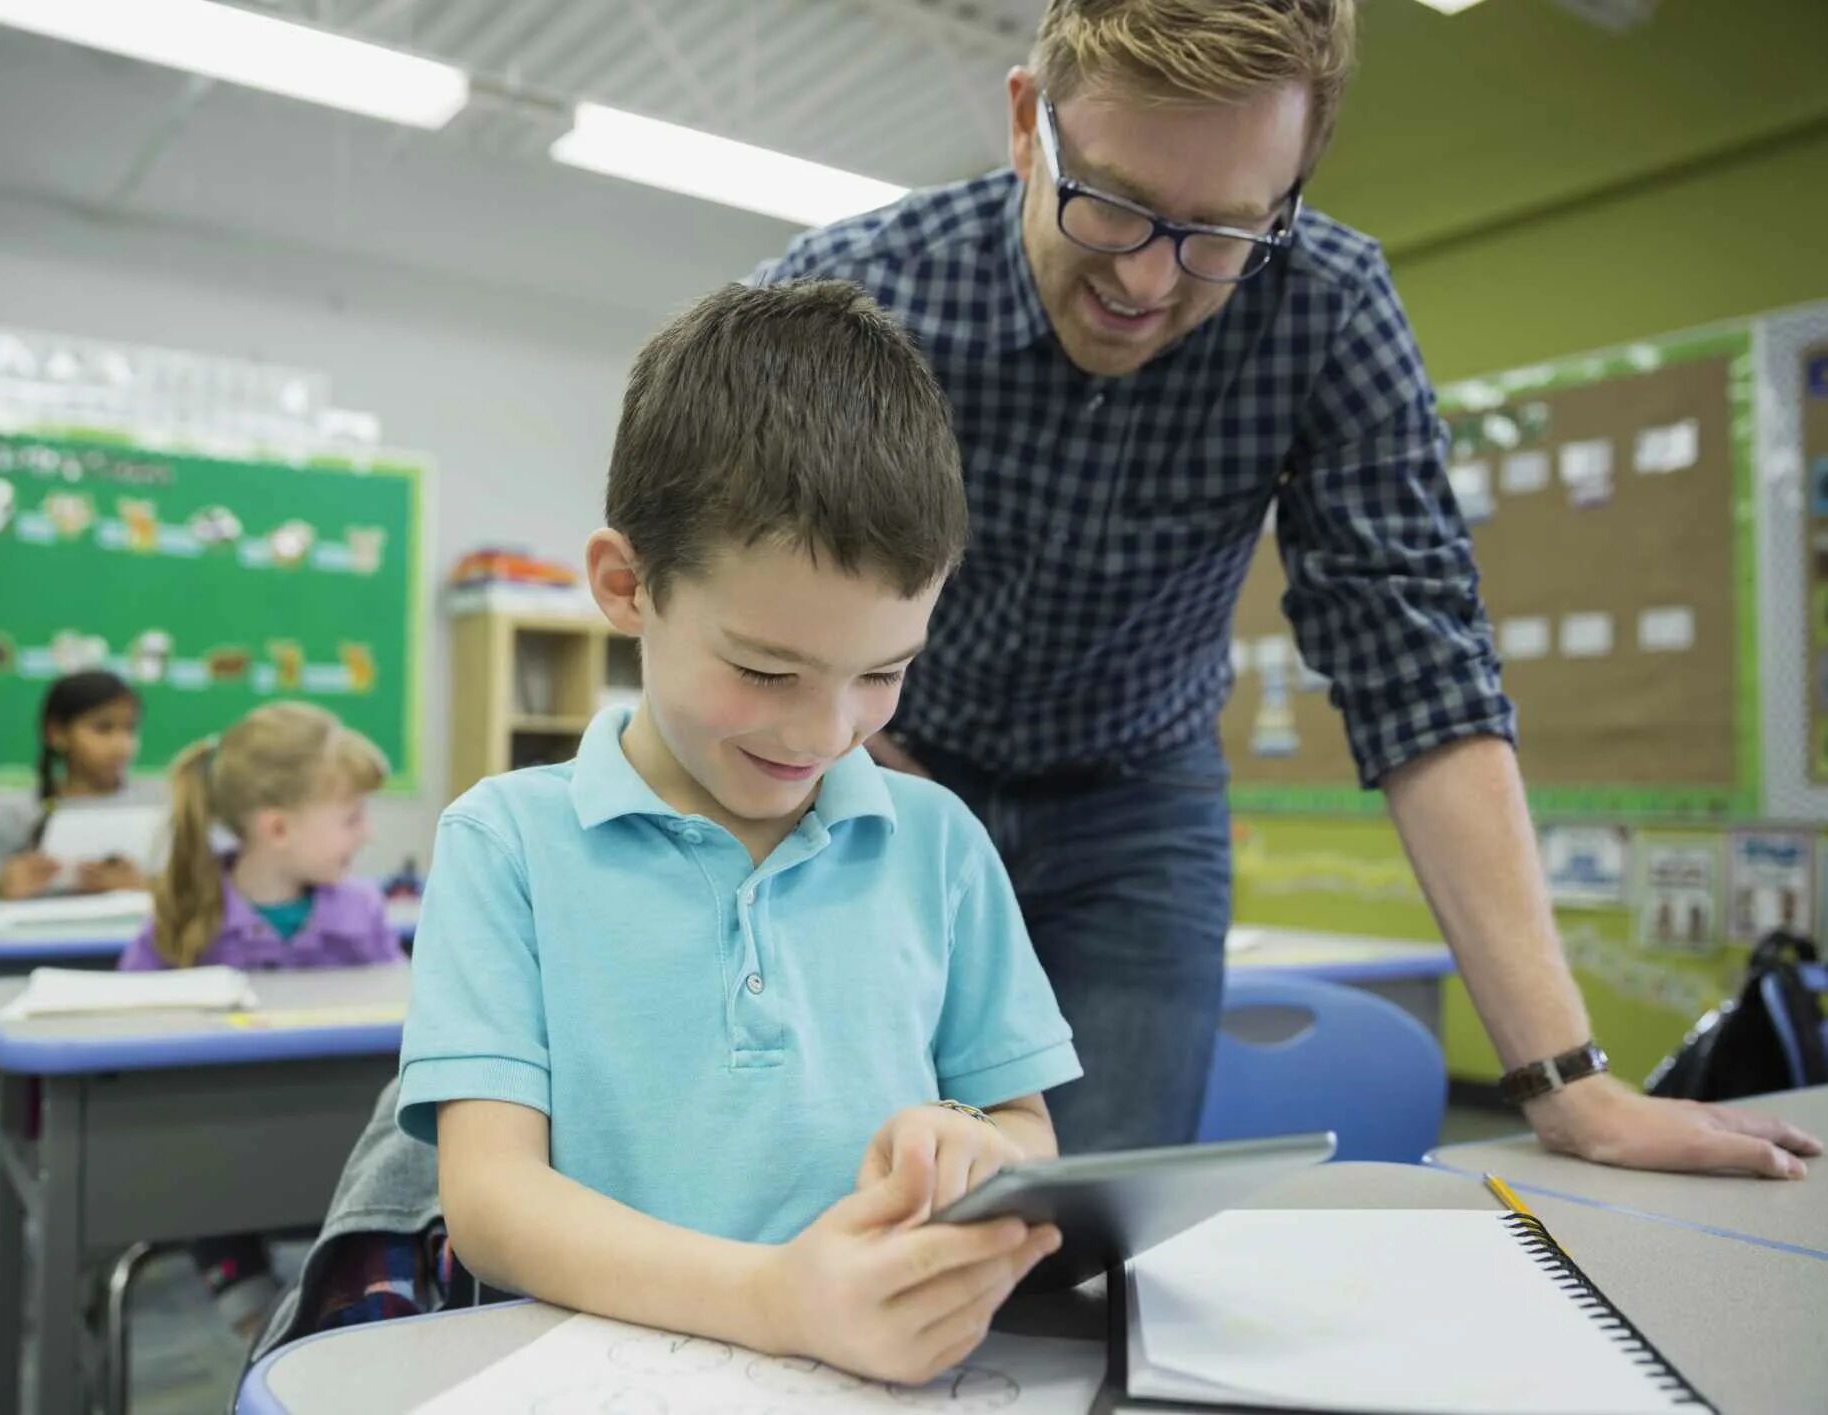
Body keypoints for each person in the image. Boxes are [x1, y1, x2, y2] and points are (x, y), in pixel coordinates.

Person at [750, 0, 1819, 1177]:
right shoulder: (852, 298)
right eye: (1106, 200)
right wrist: (840, 747)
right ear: (1024, 126)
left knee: (1082, 1225)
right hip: (879, 769)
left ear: (1292, 195)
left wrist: (1569, 1083)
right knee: (825, 1166)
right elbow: (721, 589)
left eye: (1218, 234)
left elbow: (1418, 668)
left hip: (1134, 804)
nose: (1145, 281)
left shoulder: (1327, 309)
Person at [398, 281, 1082, 1385]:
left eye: (883, 671)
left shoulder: (939, 841)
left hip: (877, 1376)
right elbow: (491, 1204)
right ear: (627, 586)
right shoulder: (507, 842)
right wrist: (777, 1301)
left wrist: (977, 1149)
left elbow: (1023, 1124)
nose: (827, 729)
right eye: (766, 668)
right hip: (592, 1376)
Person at [121, 700, 401, 1336]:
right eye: (351, 818)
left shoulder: (362, 911)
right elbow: (125, 1035)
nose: (367, 834)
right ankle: (247, 1290)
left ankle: (362, 1295)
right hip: (217, 1148)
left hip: (341, 1141)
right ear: (277, 828)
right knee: (200, 1152)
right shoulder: (186, 914)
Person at [0, 669, 146, 902]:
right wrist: (2, 888)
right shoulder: (15, 815)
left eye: (129, 729)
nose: (121, 745)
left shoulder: (157, 808)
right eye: (103, 728)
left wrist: (146, 888)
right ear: (56, 734)